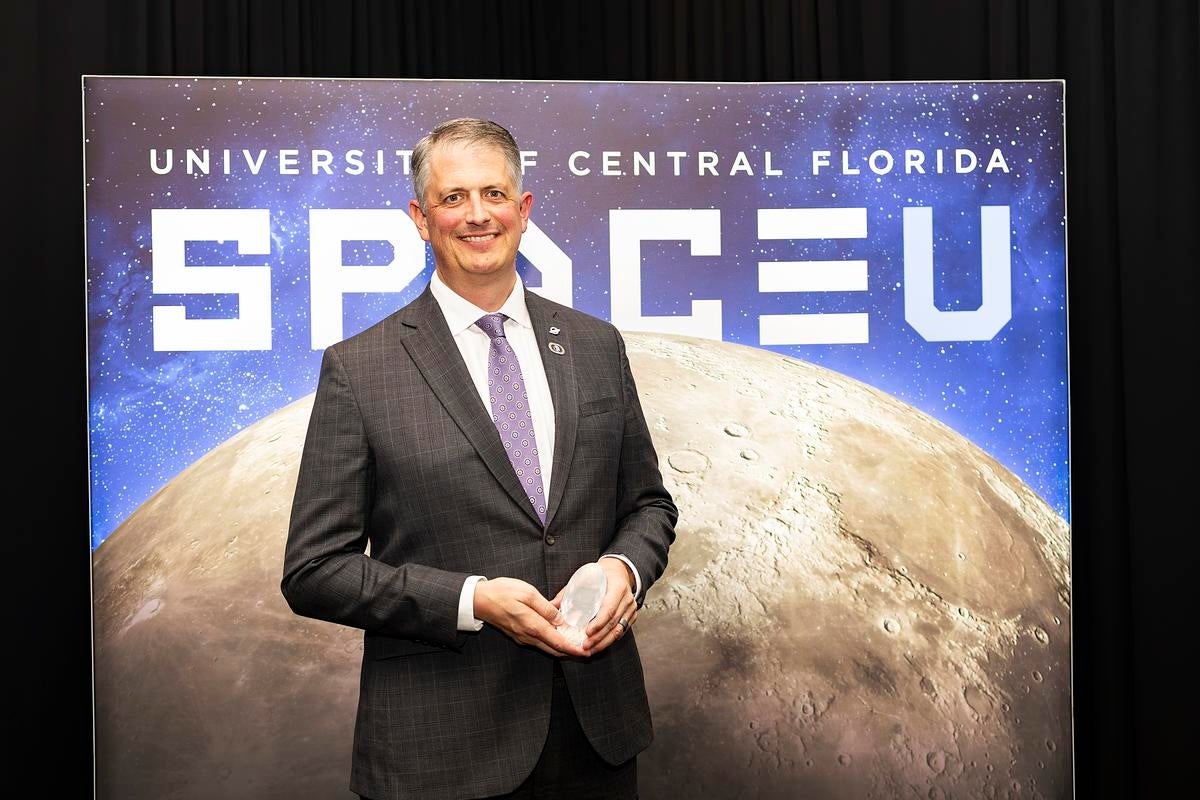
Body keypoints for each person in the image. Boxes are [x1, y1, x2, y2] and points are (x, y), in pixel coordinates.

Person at [281, 117, 678, 800]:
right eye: (453, 197)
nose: (477, 215)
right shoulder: (361, 369)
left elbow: (648, 505)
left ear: (523, 209)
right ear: (420, 218)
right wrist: (472, 601)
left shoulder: (595, 346)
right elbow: (315, 570)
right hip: (440, 754)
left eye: (493, 194)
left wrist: (624, 568)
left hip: (596, 741)